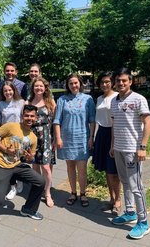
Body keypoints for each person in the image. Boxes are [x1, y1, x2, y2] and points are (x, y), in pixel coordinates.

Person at [0, 105, 45, 224]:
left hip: (17, 166)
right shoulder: (11, 126)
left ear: (36, 118)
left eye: (32, 116)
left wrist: (30, 158)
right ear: (22, 116)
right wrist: (5, 149)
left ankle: (28, 209)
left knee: (40, 181)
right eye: (26, 115)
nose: (29, 118)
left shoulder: (33, 137)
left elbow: (29, 158)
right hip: (0, 164)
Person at [110, 67, 150, 239]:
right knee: (124, 182)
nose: (121, 83)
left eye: (124, 80)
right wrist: (112, 145)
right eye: (118, 80)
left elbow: (148, 123)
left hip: (133, 150)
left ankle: (143, 222)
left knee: (136, 186)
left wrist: (142, 147)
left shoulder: (138, 99)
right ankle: (129, 212)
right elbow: (115, 125)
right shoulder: (114, 101)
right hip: (119, 148)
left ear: (130, 81)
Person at [53, 73, 95, 207]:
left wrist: (91, 137)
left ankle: (83, 193)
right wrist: (58, 137)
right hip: (66, 139)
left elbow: (92, 120)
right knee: (70, 167)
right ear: (68, 85)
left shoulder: (88, 99)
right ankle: (73, 193)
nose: (73, 85)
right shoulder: (62, 100)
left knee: (82, 168)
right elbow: (57, 120)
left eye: (76, 83)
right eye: (71, 83)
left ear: (80, 83)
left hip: (82, 138)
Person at [92, 72, 121, 215]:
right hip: (102, 134)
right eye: (102, 82)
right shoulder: (99, 98)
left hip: (113, 134)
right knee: (107, 171)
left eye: (107, 82)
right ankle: (111, 199)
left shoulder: (116, 97)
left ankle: (118, 200)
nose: (105, 84)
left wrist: (114, 143)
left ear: (113, 83)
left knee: (114, 171)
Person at [28, 77, 56, 208]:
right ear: (33, 87)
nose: (38, 88)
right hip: (32, 137)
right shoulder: (28, 101)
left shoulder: (50, 102)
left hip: (46, 137)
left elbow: (56, 122)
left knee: (46, 167)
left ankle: (48, 192)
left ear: (45, 88)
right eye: (36, 86)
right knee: (35, 166)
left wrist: (56, 138)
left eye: (41, 86)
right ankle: (38, 190)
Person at [0, 81, 25, 199]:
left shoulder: (21, 103)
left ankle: (21, 180)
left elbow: (24, 118)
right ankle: (12, 187)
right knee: (9, 162)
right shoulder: (0, 104)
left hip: (18, 135)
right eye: (5, 91)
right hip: (6, 137)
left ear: (14, 90)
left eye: (10, 90)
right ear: (2, 92)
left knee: (19, 160)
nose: (8, 92)